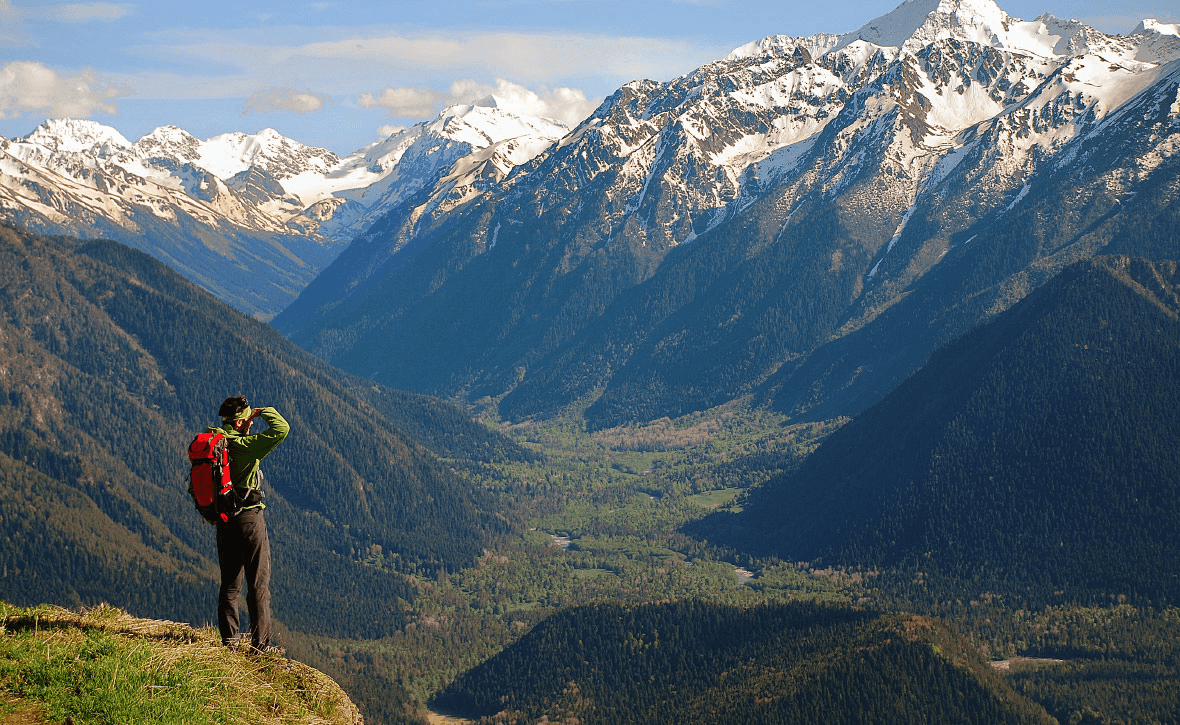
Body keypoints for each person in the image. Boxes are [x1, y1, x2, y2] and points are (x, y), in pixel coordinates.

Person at [210, 394, 289, 654]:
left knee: (230, 584)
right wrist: (264, 411)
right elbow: (281, 429)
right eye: (248, 419)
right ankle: (261, 646)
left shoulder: (215, 442)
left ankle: (229, 642)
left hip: (224, 520)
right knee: (258, 583)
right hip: (249, 519)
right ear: (239, 422)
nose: (251, 423)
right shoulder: (245, 446)